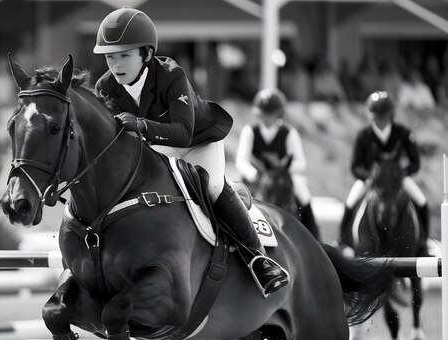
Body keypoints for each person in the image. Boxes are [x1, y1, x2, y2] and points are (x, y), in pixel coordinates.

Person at [93, 7, 288, 297]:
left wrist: (142, 126)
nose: (116, 65)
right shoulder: (106, 88)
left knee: (211, 185)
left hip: (198, 140)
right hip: (156, 145)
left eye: (124, 55)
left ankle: (259, 258)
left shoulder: (172, 74)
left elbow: (183, 132)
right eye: (110, 57)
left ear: (146, 54)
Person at [339, 91, 429, 254]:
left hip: (397, 181)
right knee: (350, 203)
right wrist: (368, 177)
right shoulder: (363, 136)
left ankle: (423, 243)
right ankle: (343, 241)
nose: (379, 122)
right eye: (376, 118)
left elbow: (415, 162)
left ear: (391, 116)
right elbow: (354, 166)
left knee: (422, 202)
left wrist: (403, 173)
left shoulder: (403, 133)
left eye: (383, 117)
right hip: (372, 181)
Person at [235, 88, 320, 239]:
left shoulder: (289, 133)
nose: (266, 118)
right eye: (263, 114)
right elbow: (241, 160)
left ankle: (314, 238)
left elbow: (301, 163)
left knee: (305, 197)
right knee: (233, 199)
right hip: (255, 177)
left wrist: (279, 169)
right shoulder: (250, 131)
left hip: (281, 177)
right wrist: (253, 174)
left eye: (270, 114)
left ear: (278, 114)